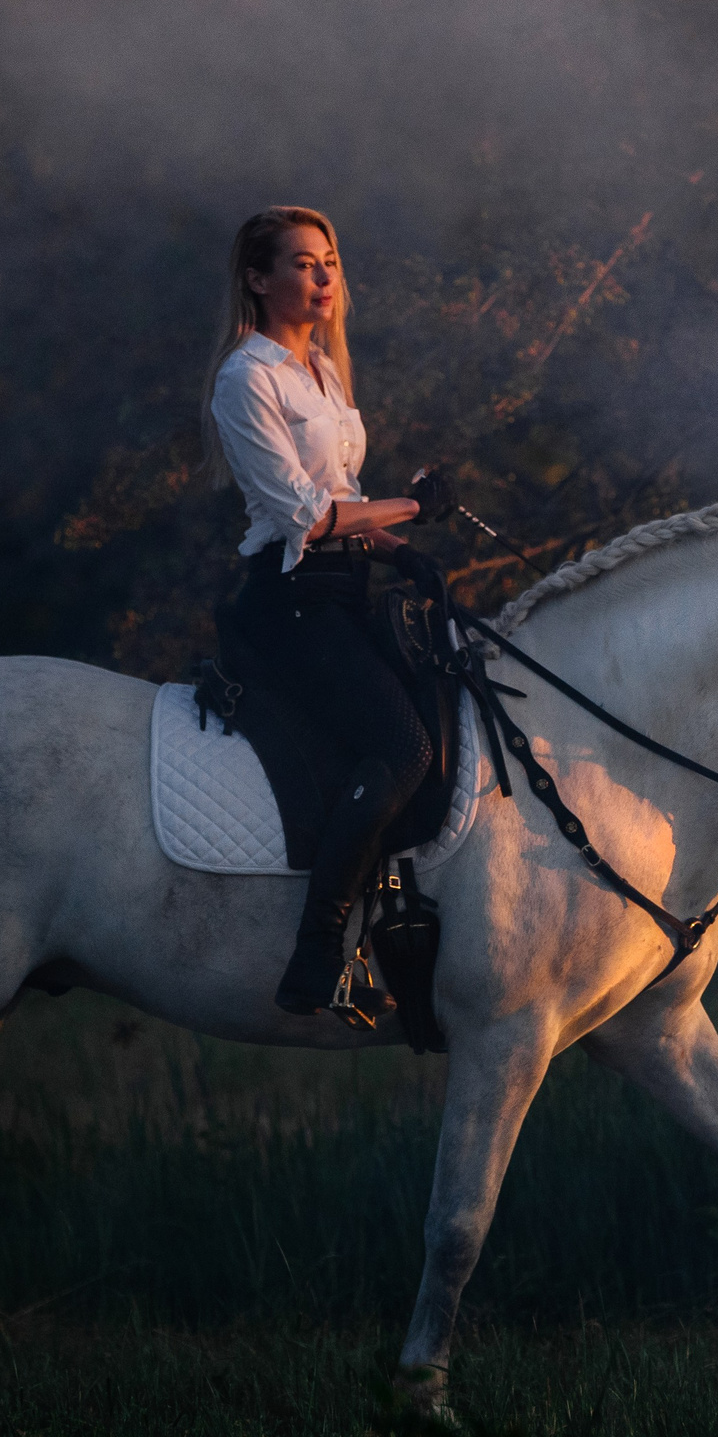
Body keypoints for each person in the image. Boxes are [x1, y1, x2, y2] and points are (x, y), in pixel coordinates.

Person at [202, 205, 453, 1018]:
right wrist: (409, 511)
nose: (323, 277)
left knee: (446, 721)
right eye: (304, 263)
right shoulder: (248, 379)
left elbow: (344, 504)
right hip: (292, 603)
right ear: (257, 278)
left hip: (347, 590)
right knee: (402, 743)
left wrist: (403, 554)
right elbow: (307, 518)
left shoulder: (325, 375)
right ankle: (320, 944)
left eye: (331, 261)